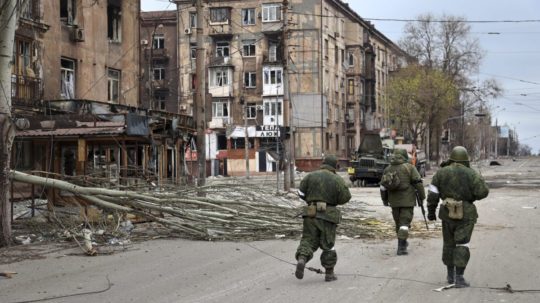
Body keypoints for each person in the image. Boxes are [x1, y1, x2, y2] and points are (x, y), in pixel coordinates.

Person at [427, 146, 489, 287]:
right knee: (462, 243)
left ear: (452, 157)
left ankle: (450, 275)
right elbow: (483, 192)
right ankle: (459, 277)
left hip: (447, 213)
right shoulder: (471, 174)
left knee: (448, 243)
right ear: (466, 159)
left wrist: (431, 211)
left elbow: (433, 194)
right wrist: (470, 197)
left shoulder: (441, 173)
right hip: (466, 214)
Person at [295, 154, 351, 282]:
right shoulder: (337, 179)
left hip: (311, 213)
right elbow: (346, 197)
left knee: (308, 240)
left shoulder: (310, 176)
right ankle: (329, 273)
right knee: (328, 244)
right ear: (334, 166)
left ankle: (302, 259)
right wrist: (333, 201)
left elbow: (301, 193)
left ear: (323, 163)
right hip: (328, 215)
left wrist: (311, 201)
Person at [380, 148, 425, 255]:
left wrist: (385, 200)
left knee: (398, 223)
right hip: (407, 201)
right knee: (404, 224)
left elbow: (383, 187)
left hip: (393, 202)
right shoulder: (409, 168)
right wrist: (422, 197)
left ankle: (403, 242)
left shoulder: (388, 169)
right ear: (405, 156)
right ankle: (401, 248)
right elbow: (418, 183)